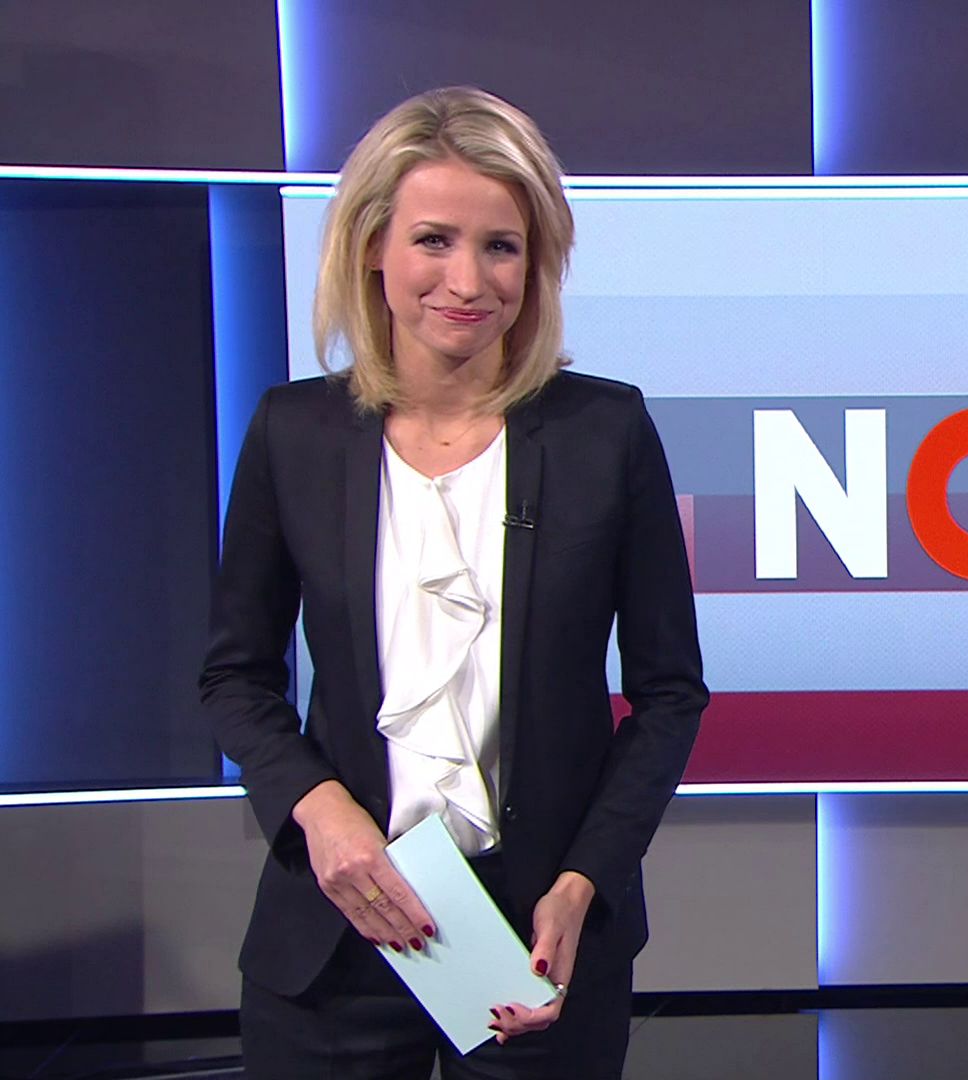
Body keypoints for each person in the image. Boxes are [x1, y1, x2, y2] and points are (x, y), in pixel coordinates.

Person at [200, 86, 706, 1079]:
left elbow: (670, 694)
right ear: (371, 248)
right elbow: (235, 677)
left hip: (537, 937)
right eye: (433, 240)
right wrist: (320, 809)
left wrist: (585, 880)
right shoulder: (293, 434)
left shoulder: (604, 434)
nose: (467, 281)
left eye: (501, 246)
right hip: (341, 928)